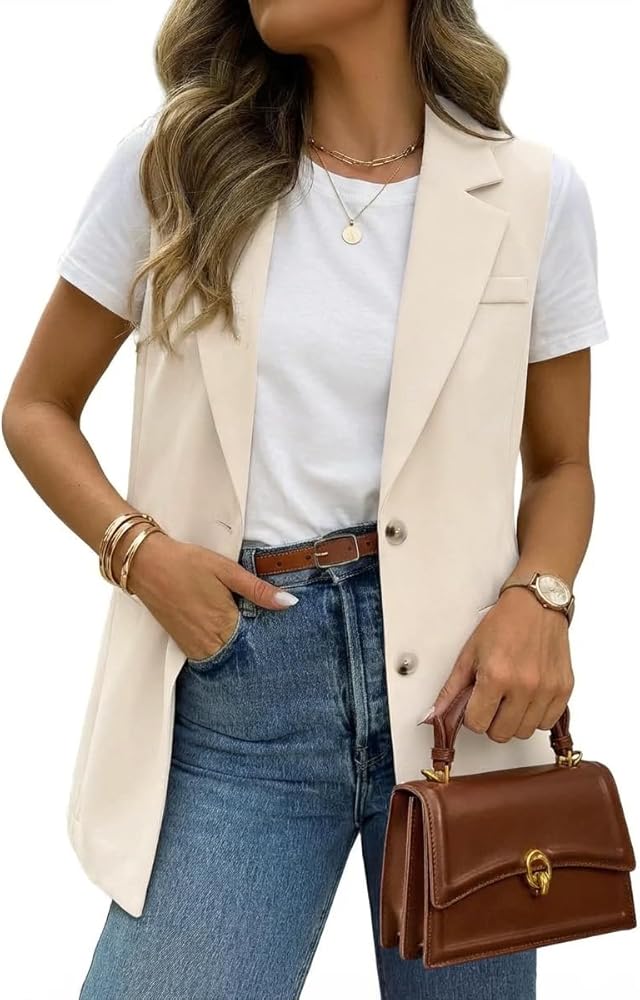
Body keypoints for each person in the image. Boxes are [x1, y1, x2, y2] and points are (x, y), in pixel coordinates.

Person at [2, 2, 610, 997]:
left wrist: (537, 598)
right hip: (242, 689)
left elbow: (560, 466)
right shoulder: (175, 163)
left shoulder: (533, 191)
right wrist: (139, 554)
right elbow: (35, 407)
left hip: (460, 709)